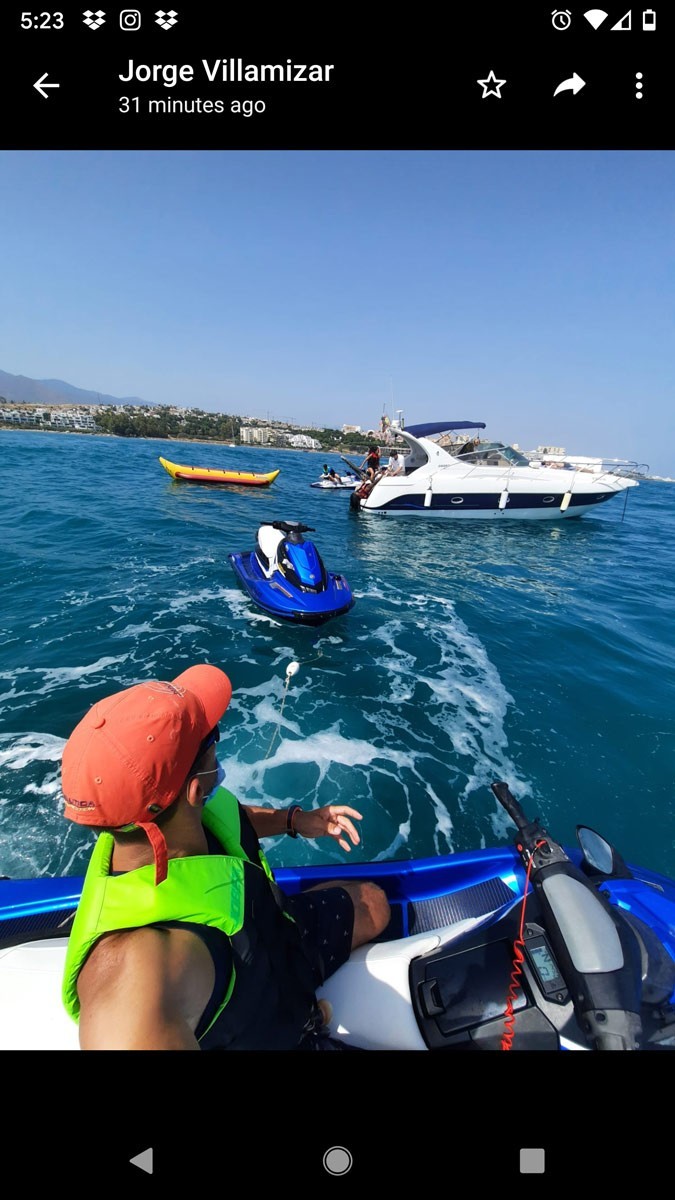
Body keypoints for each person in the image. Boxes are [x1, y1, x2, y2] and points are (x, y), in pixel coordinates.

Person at [59, 665, 390, 1051]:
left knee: (375, 904)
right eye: (210, 737)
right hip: (266, 1031)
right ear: (195, 790)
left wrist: (294, 820)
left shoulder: (159, 821)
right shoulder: (138, 962)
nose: (217, 737)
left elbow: (227, 817)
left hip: (270, 938)